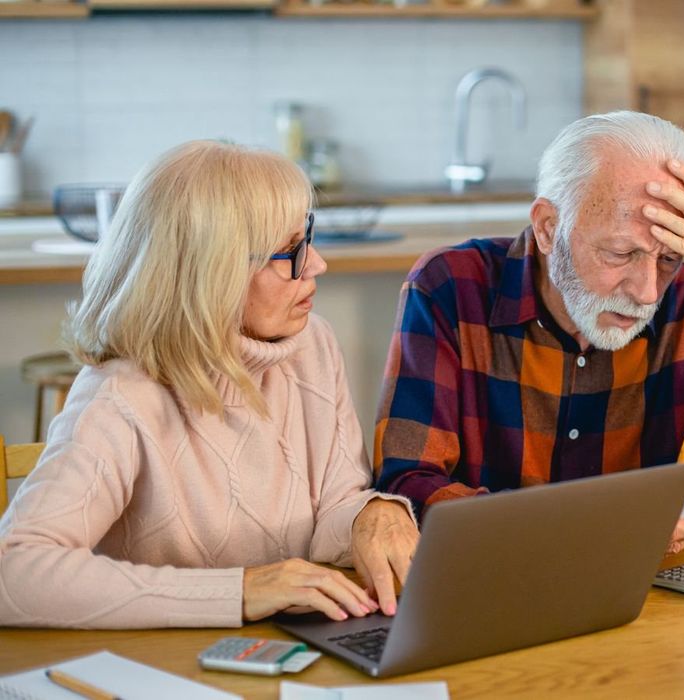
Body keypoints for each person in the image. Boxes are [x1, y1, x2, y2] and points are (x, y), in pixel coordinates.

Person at [0, 141, 419, 629]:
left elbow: (336, 502)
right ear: (212, 272)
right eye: (290, 251)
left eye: (306, 238)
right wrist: (238, 591)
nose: (318, 264)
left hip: (291, 650)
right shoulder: (118, 396)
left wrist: (371, 513)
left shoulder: (312, 344)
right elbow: (15, 571)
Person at [374, 111, 684, 553]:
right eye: (619, 253)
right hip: (491, 586)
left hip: (638, 598)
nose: (648, 293)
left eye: (668, 259)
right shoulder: (450, 287)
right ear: (549, 228)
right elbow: (407, 487)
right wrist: (591, 531)